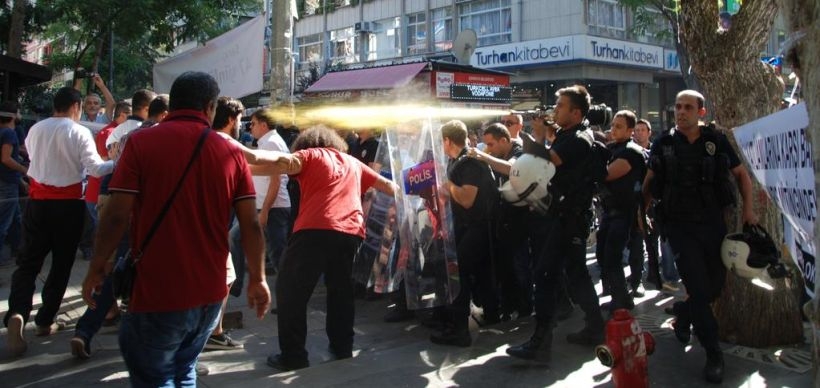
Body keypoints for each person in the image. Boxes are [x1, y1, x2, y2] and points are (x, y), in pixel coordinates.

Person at [80, 71, 271, 385]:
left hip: (158, 290)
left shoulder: (140, 144)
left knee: (155, 376)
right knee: (184, 370)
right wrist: (259, 279)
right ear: (209, 107)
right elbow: (250, 223)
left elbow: (116, 216)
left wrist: (97, 267)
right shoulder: (232, 152)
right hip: (209, 293)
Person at [643, 89, 757, 384]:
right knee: (700, 291)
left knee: (713, 289)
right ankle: (713, 354)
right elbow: (649, 181)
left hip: (712, 226)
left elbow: (742, 175)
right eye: (678, 107)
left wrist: (749, 212)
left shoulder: (715, 141)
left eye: (688, 107)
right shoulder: (664, 142)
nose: (681, 112)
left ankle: (683, 310)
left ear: (700, 112)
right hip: (680, 229)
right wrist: (640, 215)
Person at [262, 125, 397, 371]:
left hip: (314, 228)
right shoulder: (352, 161)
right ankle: (343, 346)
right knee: (340, 290)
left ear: (306, 143)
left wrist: (238, 160)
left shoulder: (311, 155)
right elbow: (388, 186)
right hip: (350, 232)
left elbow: (279, 161)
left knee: (291, 291)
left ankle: (293, 356)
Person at [4, 87, 114, 357]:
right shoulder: (78, 132)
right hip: (68, 206)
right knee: (62, 264)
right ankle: (44, 321)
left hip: (37, 204)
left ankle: (17, 311)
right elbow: (96, 169)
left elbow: (32, 160)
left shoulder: (36, 130)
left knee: (28, 262)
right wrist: (118, 161)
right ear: (76, 106)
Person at [506, 85, 604, 361]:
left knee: (545, 276)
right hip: (565, 215)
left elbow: (548, 161)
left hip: (567, 219)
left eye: (560, 106)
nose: (555, 109)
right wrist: (547, 131)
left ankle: (541, 341)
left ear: (575, 112)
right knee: (575, 274)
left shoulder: (578, 139)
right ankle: (595, 326)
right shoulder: (571, 134)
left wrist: (537, 135)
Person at [430, 120, 499, 346]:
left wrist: (447, 185)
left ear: (448, 140)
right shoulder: (459, 161)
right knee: (479, 273)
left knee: (457, 274)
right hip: (470, 227)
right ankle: (490, 316)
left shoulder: (468, 162)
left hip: (478, 227)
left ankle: (459, 330)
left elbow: (468, 199)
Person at [595, 110, 645, 311]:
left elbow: (606, 175)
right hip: (611, 210)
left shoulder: (631, 151)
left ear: (630, 130)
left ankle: (622, 300)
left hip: (625, 213)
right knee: (605, 255)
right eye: (613, 125)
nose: (613, 129)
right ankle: (620, 297)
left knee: (613, 257)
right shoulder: (614, 148)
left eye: (619, 126)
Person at [249, 108, 291, 273]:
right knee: (237, 238)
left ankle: (288, 293)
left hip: (274, 207)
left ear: (263, 125)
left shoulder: (271, 142)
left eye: (252, 124)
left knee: (278, 255)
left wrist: (265, 210)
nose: (250, 127)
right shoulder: (268, 141)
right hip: (268, 206)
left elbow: (276, 180)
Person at [0, 102, 26, 267]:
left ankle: (17, 248)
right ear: (13, 115)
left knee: (16, 218)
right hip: (7, 183)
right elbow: (6, 158)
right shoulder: (9, 133)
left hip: (9, 182)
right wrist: (24, 169)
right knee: (3, 224)